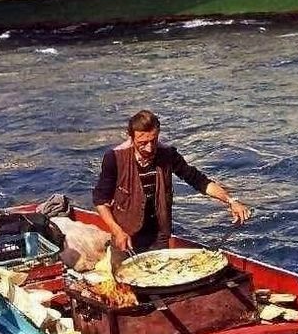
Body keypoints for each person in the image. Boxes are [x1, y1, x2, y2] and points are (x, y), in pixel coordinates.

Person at [93, 109, 251, 269]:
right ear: (131, 137)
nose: (149, 148)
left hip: (158, 236)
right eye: (142, 143)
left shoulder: (168, 154)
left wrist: (231, 201)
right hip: (125, 236)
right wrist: (117, 231)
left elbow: (199, 181)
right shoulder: (114, 158)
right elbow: (100, 201)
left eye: (153, 141)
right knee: (124, 284)